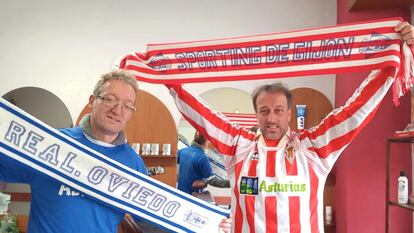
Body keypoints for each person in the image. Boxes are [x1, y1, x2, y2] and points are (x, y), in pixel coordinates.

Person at [169, 22, 414, 233]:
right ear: (256, 114)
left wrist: (391, 64)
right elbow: (203, 115)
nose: (271, 118)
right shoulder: (239, 147)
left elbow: (354, 112)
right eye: (264, 111)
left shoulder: (312, 147)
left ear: (289, 114)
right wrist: (170, 80)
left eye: (278, 111)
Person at [0, 70, 148, 233]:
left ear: (130, 114)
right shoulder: (51, 143)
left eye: (127, 106)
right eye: (110, 99)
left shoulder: (134, 163)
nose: (117, 110)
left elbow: (147, 216)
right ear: (92, 101)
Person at [177, 131, 230, 196]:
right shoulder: (202, 157)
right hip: (194, 195)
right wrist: (231, 183)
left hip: (180, 193)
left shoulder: (183, 151)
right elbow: (213, 181)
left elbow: (174, 162)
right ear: (206, 141)